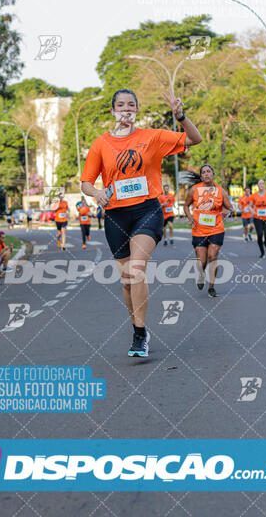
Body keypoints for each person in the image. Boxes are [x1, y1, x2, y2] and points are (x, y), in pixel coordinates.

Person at [80, 87, 202, 357]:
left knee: (136, 270)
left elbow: (195, 138)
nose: (126, 109)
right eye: (121, 105)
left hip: (147, 210)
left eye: (131, 105)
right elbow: (86, 183)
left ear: (136, 110)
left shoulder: (153, 137)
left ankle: (139, 335)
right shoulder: (101, 144)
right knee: (126, 281)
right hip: (115, 215)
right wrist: (97, 192)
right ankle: (139, 327)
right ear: (113, 111)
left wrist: (181, 116)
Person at [184, 165, 233, 297]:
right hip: (198, 230)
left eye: (208, 172)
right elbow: (186, 206)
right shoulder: (194, 190)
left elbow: (230, 207)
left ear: (213, 174)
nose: (206, 174)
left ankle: (211, 286)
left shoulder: (221, 191)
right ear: (201, 177)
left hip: (216, 229)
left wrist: (227, 212)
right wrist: (190, 218)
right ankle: (201, 274)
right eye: (204, 172)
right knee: (202, 262)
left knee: (213, 256)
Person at [249, 179, 266, 258]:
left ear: (264, 185)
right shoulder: (254, 196)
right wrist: (252, 211)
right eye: (260, 184)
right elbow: (250, 206)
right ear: (257, 185)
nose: (261, 185)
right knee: (259, 234)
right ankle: (262, 252)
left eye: (263, 183)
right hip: (258, 218)